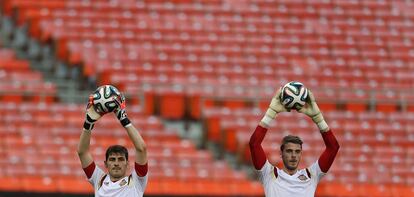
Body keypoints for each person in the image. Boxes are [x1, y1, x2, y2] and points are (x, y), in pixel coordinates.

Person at [249, 88, 340, 197]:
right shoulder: (269, 174)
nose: (293, 155)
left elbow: (333, 148)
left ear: (301, 154)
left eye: (297, 152)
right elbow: (254, 144)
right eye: (289, 151)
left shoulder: (311, 175)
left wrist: (318, 118)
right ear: (281, 153)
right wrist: (271, 112)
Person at [77, 93, 148, 197]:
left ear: (127, 164)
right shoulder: (99, 179)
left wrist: (124, 120)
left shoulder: (136, 182)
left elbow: (141, 149)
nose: (116, 163)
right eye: (112, 159)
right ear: (106, 164)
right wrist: (88, 123)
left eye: (120, 159)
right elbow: (82, 152)